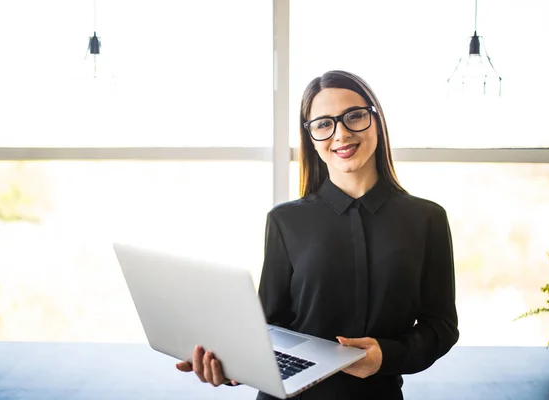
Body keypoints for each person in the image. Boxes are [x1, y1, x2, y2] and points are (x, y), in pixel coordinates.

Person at [176, 70, 459, 399]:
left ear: (377, 122)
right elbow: (269, 328)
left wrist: (387, 356)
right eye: (324, 124)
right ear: (310, 137)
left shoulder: (427, 218)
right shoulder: (285, 220)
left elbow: (441, 326)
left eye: (354, 116)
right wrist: (228, 367)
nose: (340, 134)